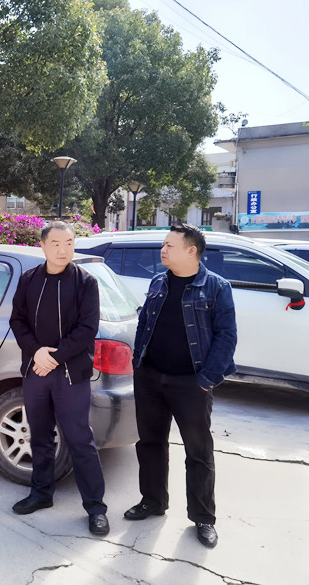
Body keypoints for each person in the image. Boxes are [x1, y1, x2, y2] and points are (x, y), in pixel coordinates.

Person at [125, 224, 237, 549]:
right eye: (163, 244)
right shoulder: (158, 282)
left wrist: (206, 380)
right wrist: (138, 365)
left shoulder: (216, 287)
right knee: (150, 444)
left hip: (191, 384)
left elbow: (227, 336)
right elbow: (144, 323)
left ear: (191, 251)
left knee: (198, 452)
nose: (163, 250)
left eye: (169, 245)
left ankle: (203, 517)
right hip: (150, 378)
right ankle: (152, 501)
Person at [9, 221, 110, 536]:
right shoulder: (29, 279)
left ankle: (96, 508)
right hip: (36, 371)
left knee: (80, 439)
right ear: (42, 246)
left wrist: (53, 357)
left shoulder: (85, 282)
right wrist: (36, 352)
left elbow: (88, 328)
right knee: (39, 435)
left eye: (69, 243)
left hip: (69, 374)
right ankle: (41, 493)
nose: (63, 250)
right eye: (56, 244)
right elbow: (17, 320)